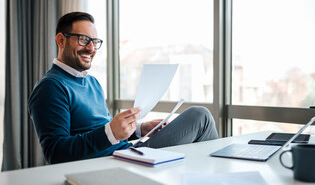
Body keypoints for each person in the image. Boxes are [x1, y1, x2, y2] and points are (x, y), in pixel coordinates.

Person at [28, 11, 218, 164]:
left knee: (201, 117)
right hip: (108, 163)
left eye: (95, 42)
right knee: (199, 116)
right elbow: (55, 153)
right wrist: (110, 132)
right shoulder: (50, 87)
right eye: (83, 40)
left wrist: (138, 130)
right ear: (61, 40)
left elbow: (105, 130)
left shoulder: (92, 83)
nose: (91, 48)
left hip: (126, 153)